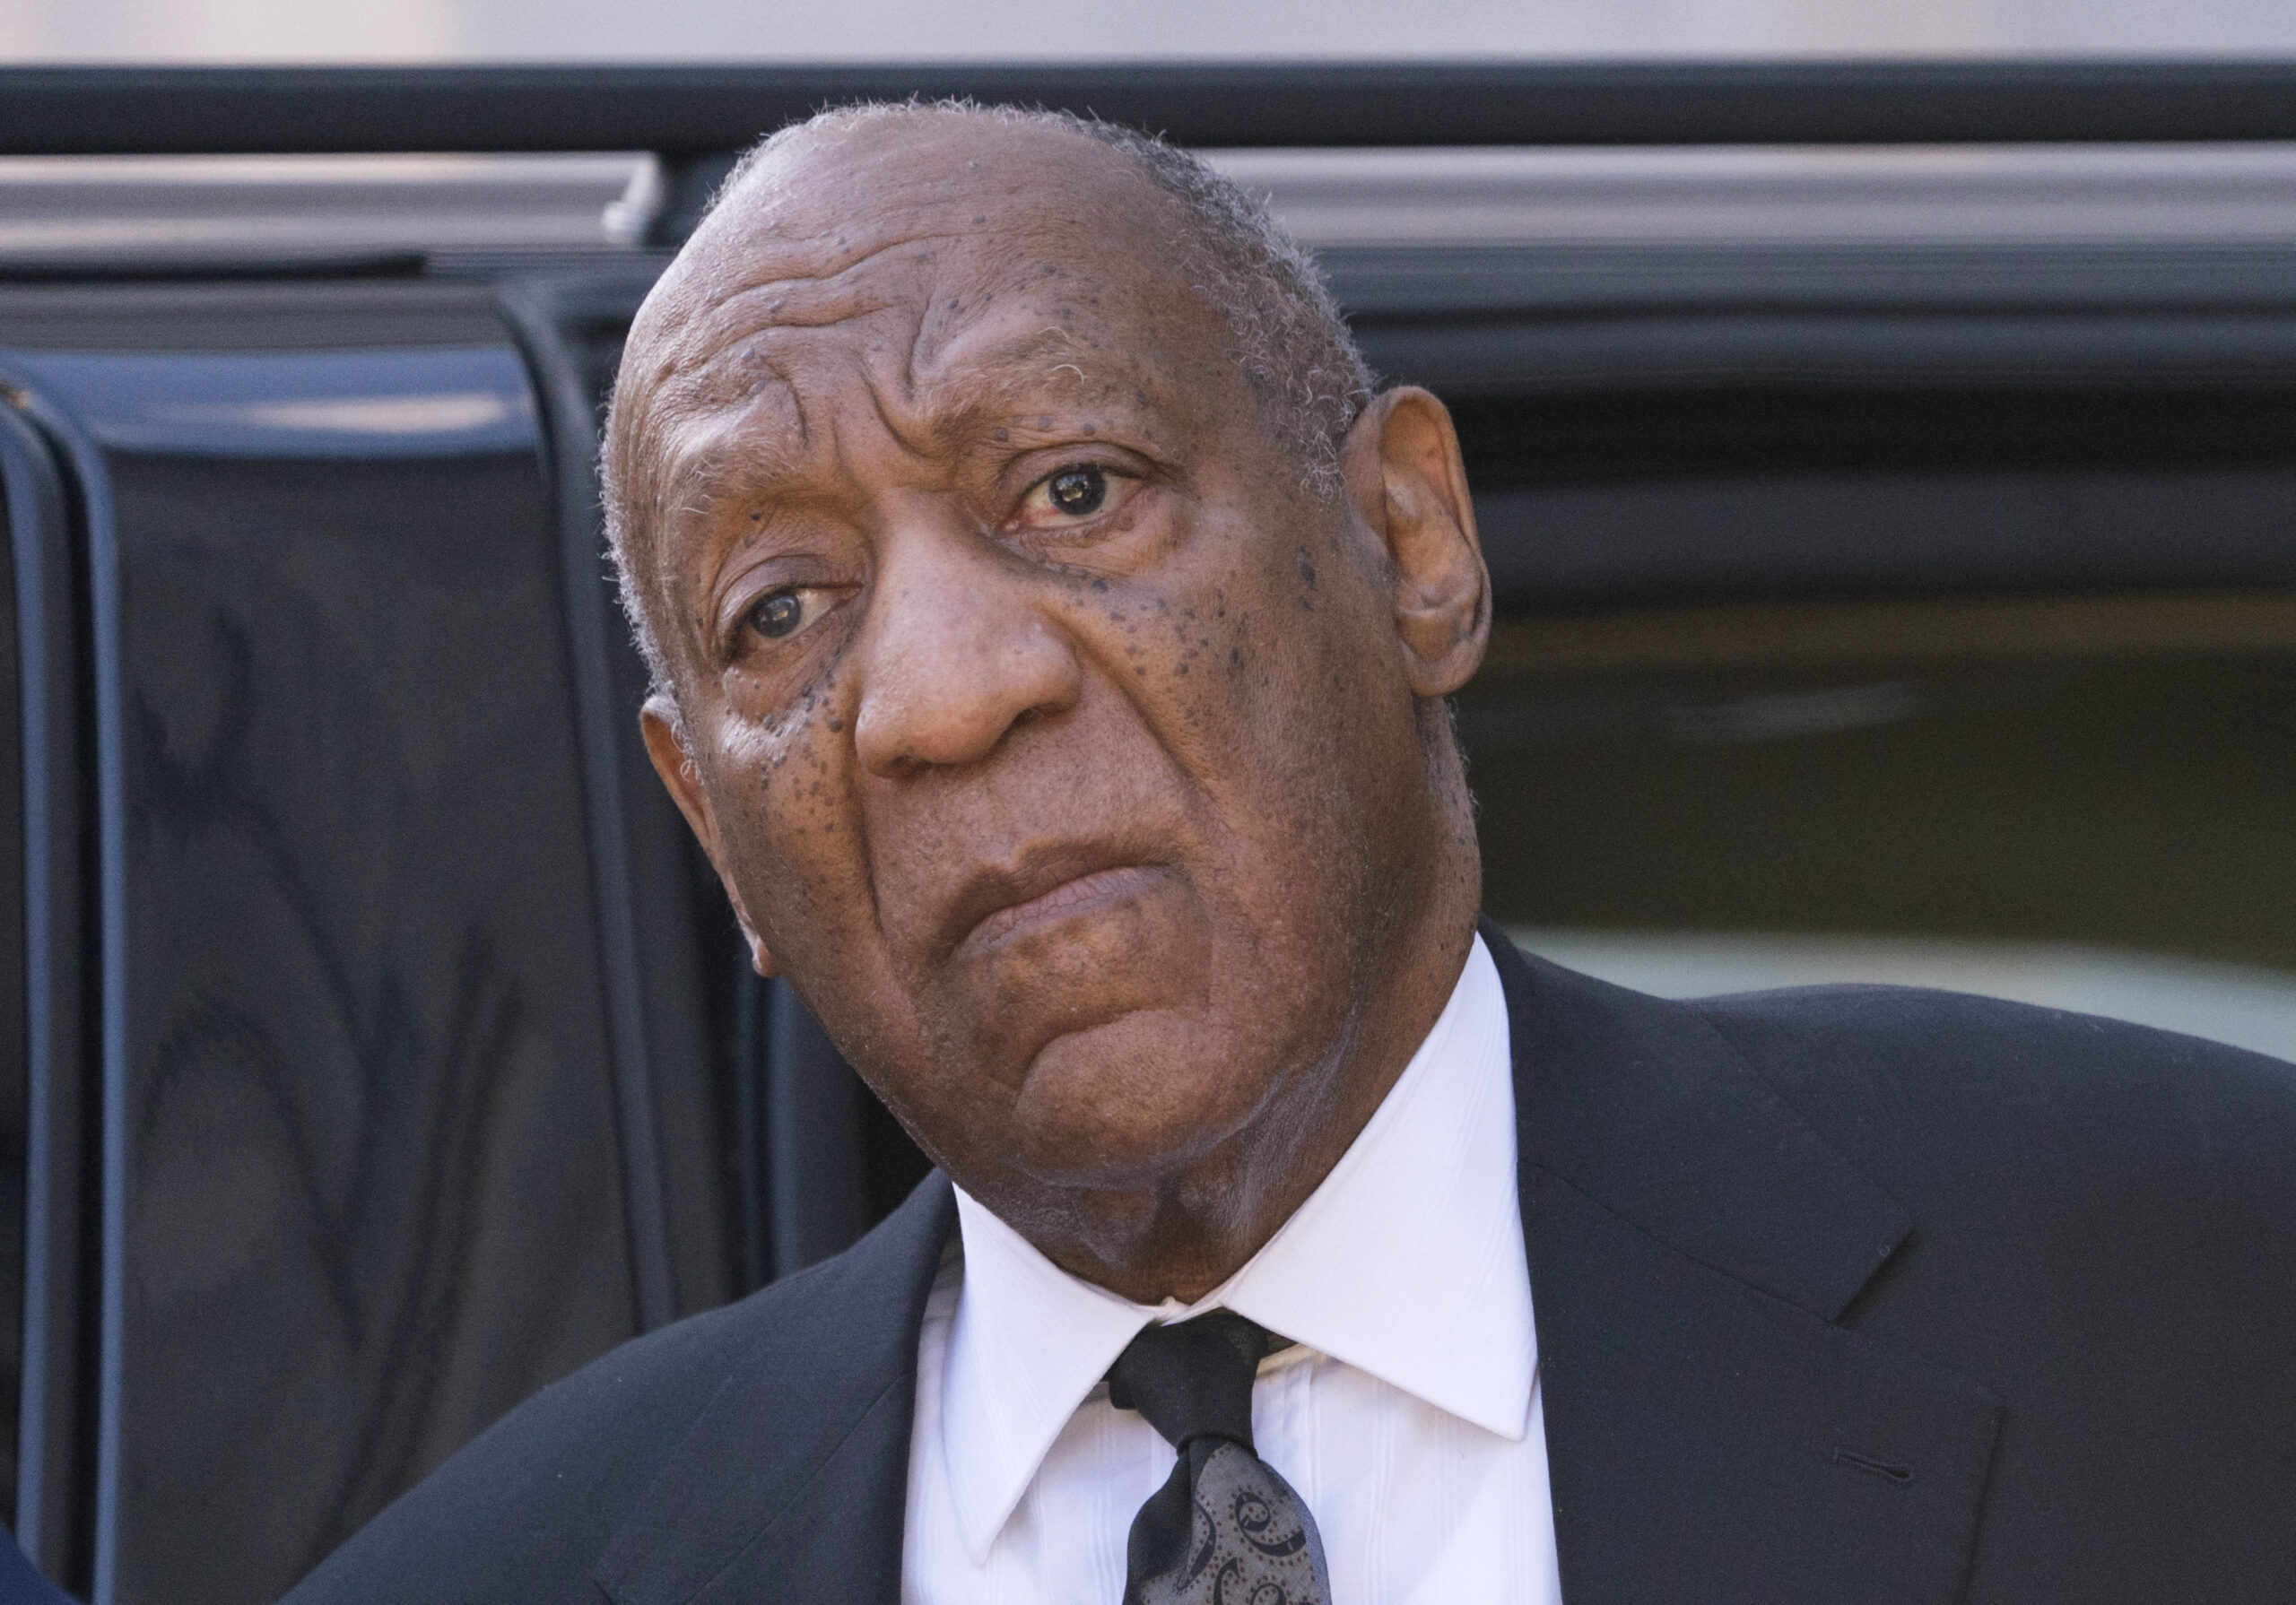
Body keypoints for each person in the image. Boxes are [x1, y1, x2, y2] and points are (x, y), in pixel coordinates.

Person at [282, 103, 2296, 1605]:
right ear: (713, 831)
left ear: (1412, 546)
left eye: (1075, 489)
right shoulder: (487, 1575)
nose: (941, 698)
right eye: (782, 612)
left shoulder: (2200, 1295)